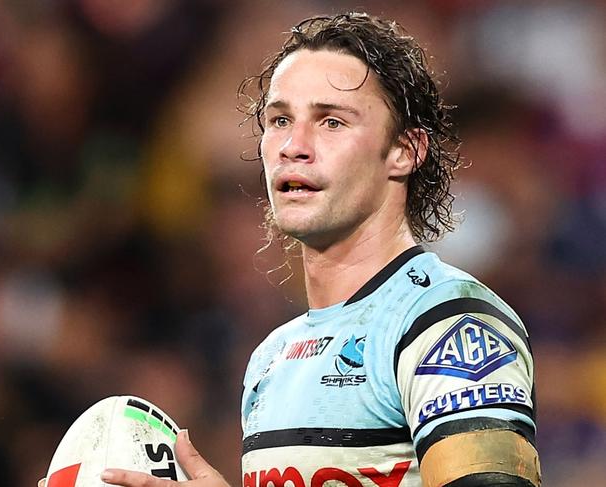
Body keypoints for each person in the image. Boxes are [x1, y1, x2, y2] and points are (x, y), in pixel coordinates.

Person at [43, 12, 541, 487]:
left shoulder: (449, 326)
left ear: (404, 151)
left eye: (331, 122)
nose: (293, 146)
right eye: (280, 120)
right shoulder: (271, 359)